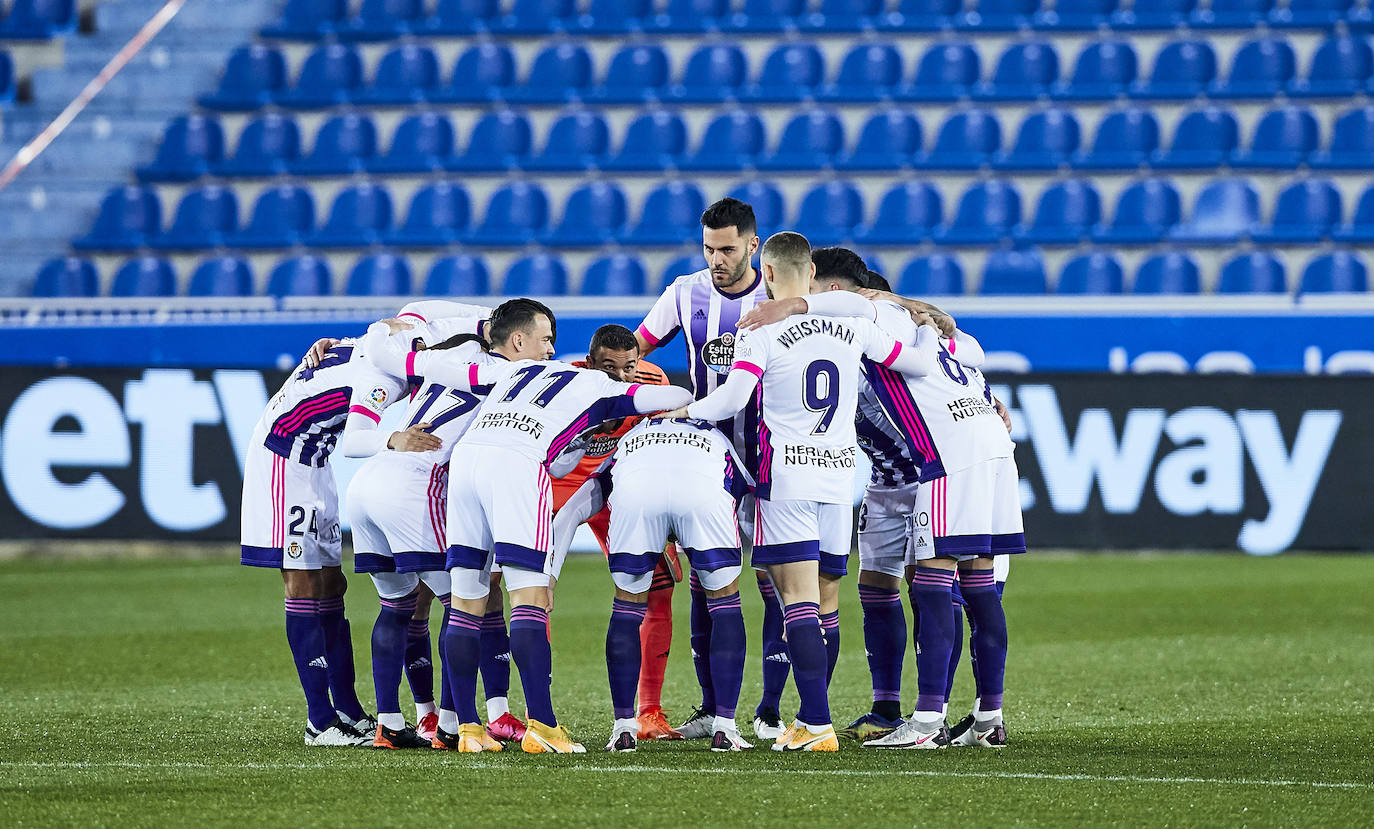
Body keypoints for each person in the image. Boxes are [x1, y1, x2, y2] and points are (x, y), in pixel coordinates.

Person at [364, 299, 694, 754]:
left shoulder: (506, 371)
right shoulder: (594, 384)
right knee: (529, 599)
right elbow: (673, 398)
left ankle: (468, 730)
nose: (549, 346)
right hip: (518, 472)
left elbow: (419, 363)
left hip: (465, 466)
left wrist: (385, 334)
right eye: (546, 338)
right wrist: (663, 399)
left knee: (466, 601)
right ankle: (543, 726)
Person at [664, 231, 939, 752]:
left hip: (787, 479)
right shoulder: (852, 325)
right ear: (811, 276)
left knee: (796, 602)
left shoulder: (760, 330)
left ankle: (816, 725)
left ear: (766, 275)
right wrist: (927, 327)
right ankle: (809, 720)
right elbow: (919, 363)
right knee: (827, 602)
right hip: (840, 479)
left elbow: (731, 400)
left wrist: (681, 412)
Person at [240, 302, 484, 747]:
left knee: (333, 587)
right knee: (304, 586)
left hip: (316, 460)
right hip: (281, 457)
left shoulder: (395, 339)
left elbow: (427, 313)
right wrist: (395, 438)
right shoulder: (384, 377)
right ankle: (319, 720)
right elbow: (355, 439)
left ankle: (348, 710)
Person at [634, 197, 792, 741]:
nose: (716, 259)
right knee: (709, 582)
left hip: (775, 457)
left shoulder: (780, 294)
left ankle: (769, 709)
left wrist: (793, 306)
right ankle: (710, 707)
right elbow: (633, 350)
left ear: (753, 245)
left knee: (776, 578)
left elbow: (844, 309)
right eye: (708, 248)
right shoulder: (685, 292)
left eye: (727, 248)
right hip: (708, 462)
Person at [559, 417, 755, 752]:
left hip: (639, 495)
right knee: (725, 604)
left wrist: (548, 573)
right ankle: (725, 727)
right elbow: (747, 495)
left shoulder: (636, 433)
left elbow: (585, 499)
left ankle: (623, 728)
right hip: (702, 493)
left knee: (628, 606)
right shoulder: (714, 434)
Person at [548, 324, 683, 741]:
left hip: (615, 489)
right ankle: (540, 715)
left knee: (658, 586)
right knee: (531, 591)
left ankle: (649, 712)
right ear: (590, 364)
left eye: (628, 367)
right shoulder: (564, 382)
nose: (621, 378)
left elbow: (660, 441)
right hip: (558, 488)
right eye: (609, 368)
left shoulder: (655, 381)